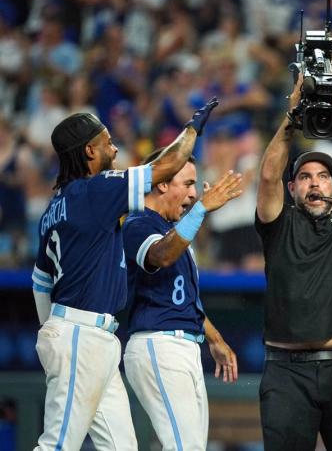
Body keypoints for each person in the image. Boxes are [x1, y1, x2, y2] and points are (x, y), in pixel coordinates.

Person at [30, 98, 219, 450]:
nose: (114, 149)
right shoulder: (95, 190)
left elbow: (40, 282)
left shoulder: (54, 206)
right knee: (58, 444)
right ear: (89, 151)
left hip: (89, 337)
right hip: (80, 335)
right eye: (106, 142)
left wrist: (49, 334)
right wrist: (193, 128)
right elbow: (167, 166)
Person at [254, 78, 332, 451]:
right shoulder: (278, 224)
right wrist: (293, 117)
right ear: (292, 187)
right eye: (305, 177)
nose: (315, 184)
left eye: (323, 177)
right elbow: (267, 175)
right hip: (284, 371)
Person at [122, 149, 242, 450]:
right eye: (187, 184)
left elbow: (184, 298)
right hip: (158, 342)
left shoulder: (172, 230)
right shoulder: (138, 224)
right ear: (161, 183)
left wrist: (214, 338)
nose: (192, 193)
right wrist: (201, 210)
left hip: (181, 344)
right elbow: (161, 255)